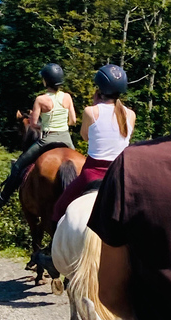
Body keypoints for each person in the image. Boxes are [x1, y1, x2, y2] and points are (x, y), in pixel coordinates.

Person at [87, 5, 171, 319]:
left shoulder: (133, 165)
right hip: (115, 165)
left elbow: (111, 294)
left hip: (101, 168)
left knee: (61, 204)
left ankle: (47, 247)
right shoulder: (130, 114)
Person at [51, 64, 136, 229]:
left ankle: (51, 249)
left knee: (59, 208)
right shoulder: (130, 114)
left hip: (92, 173)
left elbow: (85, 136)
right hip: (119, 174)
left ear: (99, 89)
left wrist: (94, 105)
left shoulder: (90, 112)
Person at [0, 63, 76, 206]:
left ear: (45, 81)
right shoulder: (67, 97)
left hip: (48, 138)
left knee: (18, 165)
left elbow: (34, 124)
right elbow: (72, 121)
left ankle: (3, 197)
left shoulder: (40, 100)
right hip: (66, 138)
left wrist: (45, 125)